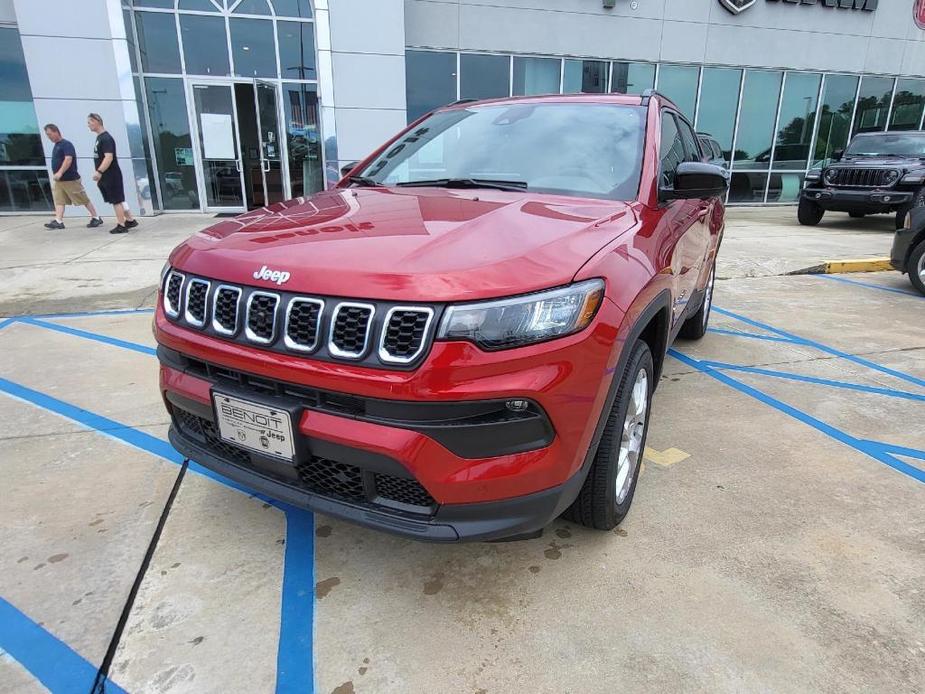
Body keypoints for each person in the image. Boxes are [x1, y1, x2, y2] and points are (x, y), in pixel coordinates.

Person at [42, 124, 103, 230]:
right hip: (60, 181)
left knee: (82, 198)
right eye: (47, 135)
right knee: (59, 200)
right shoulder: (56, 145)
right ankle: (58, 221)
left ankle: (96, 217)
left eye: (50, 134)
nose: (49, 137)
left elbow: (68, 159)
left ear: (56, 131)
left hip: (70, 179)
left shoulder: (66, 144)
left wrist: (60, 172)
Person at [87, 113, 138, 234]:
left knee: (116, 200)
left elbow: (108, 157)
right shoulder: (100, 138)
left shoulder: (106, 138)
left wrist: (99, 172)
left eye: (89, 122)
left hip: (111, 174)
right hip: (107, 175)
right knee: (119, 199)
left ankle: (121, 225)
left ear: (97, 121)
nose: (88, 125)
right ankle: (130, 220)